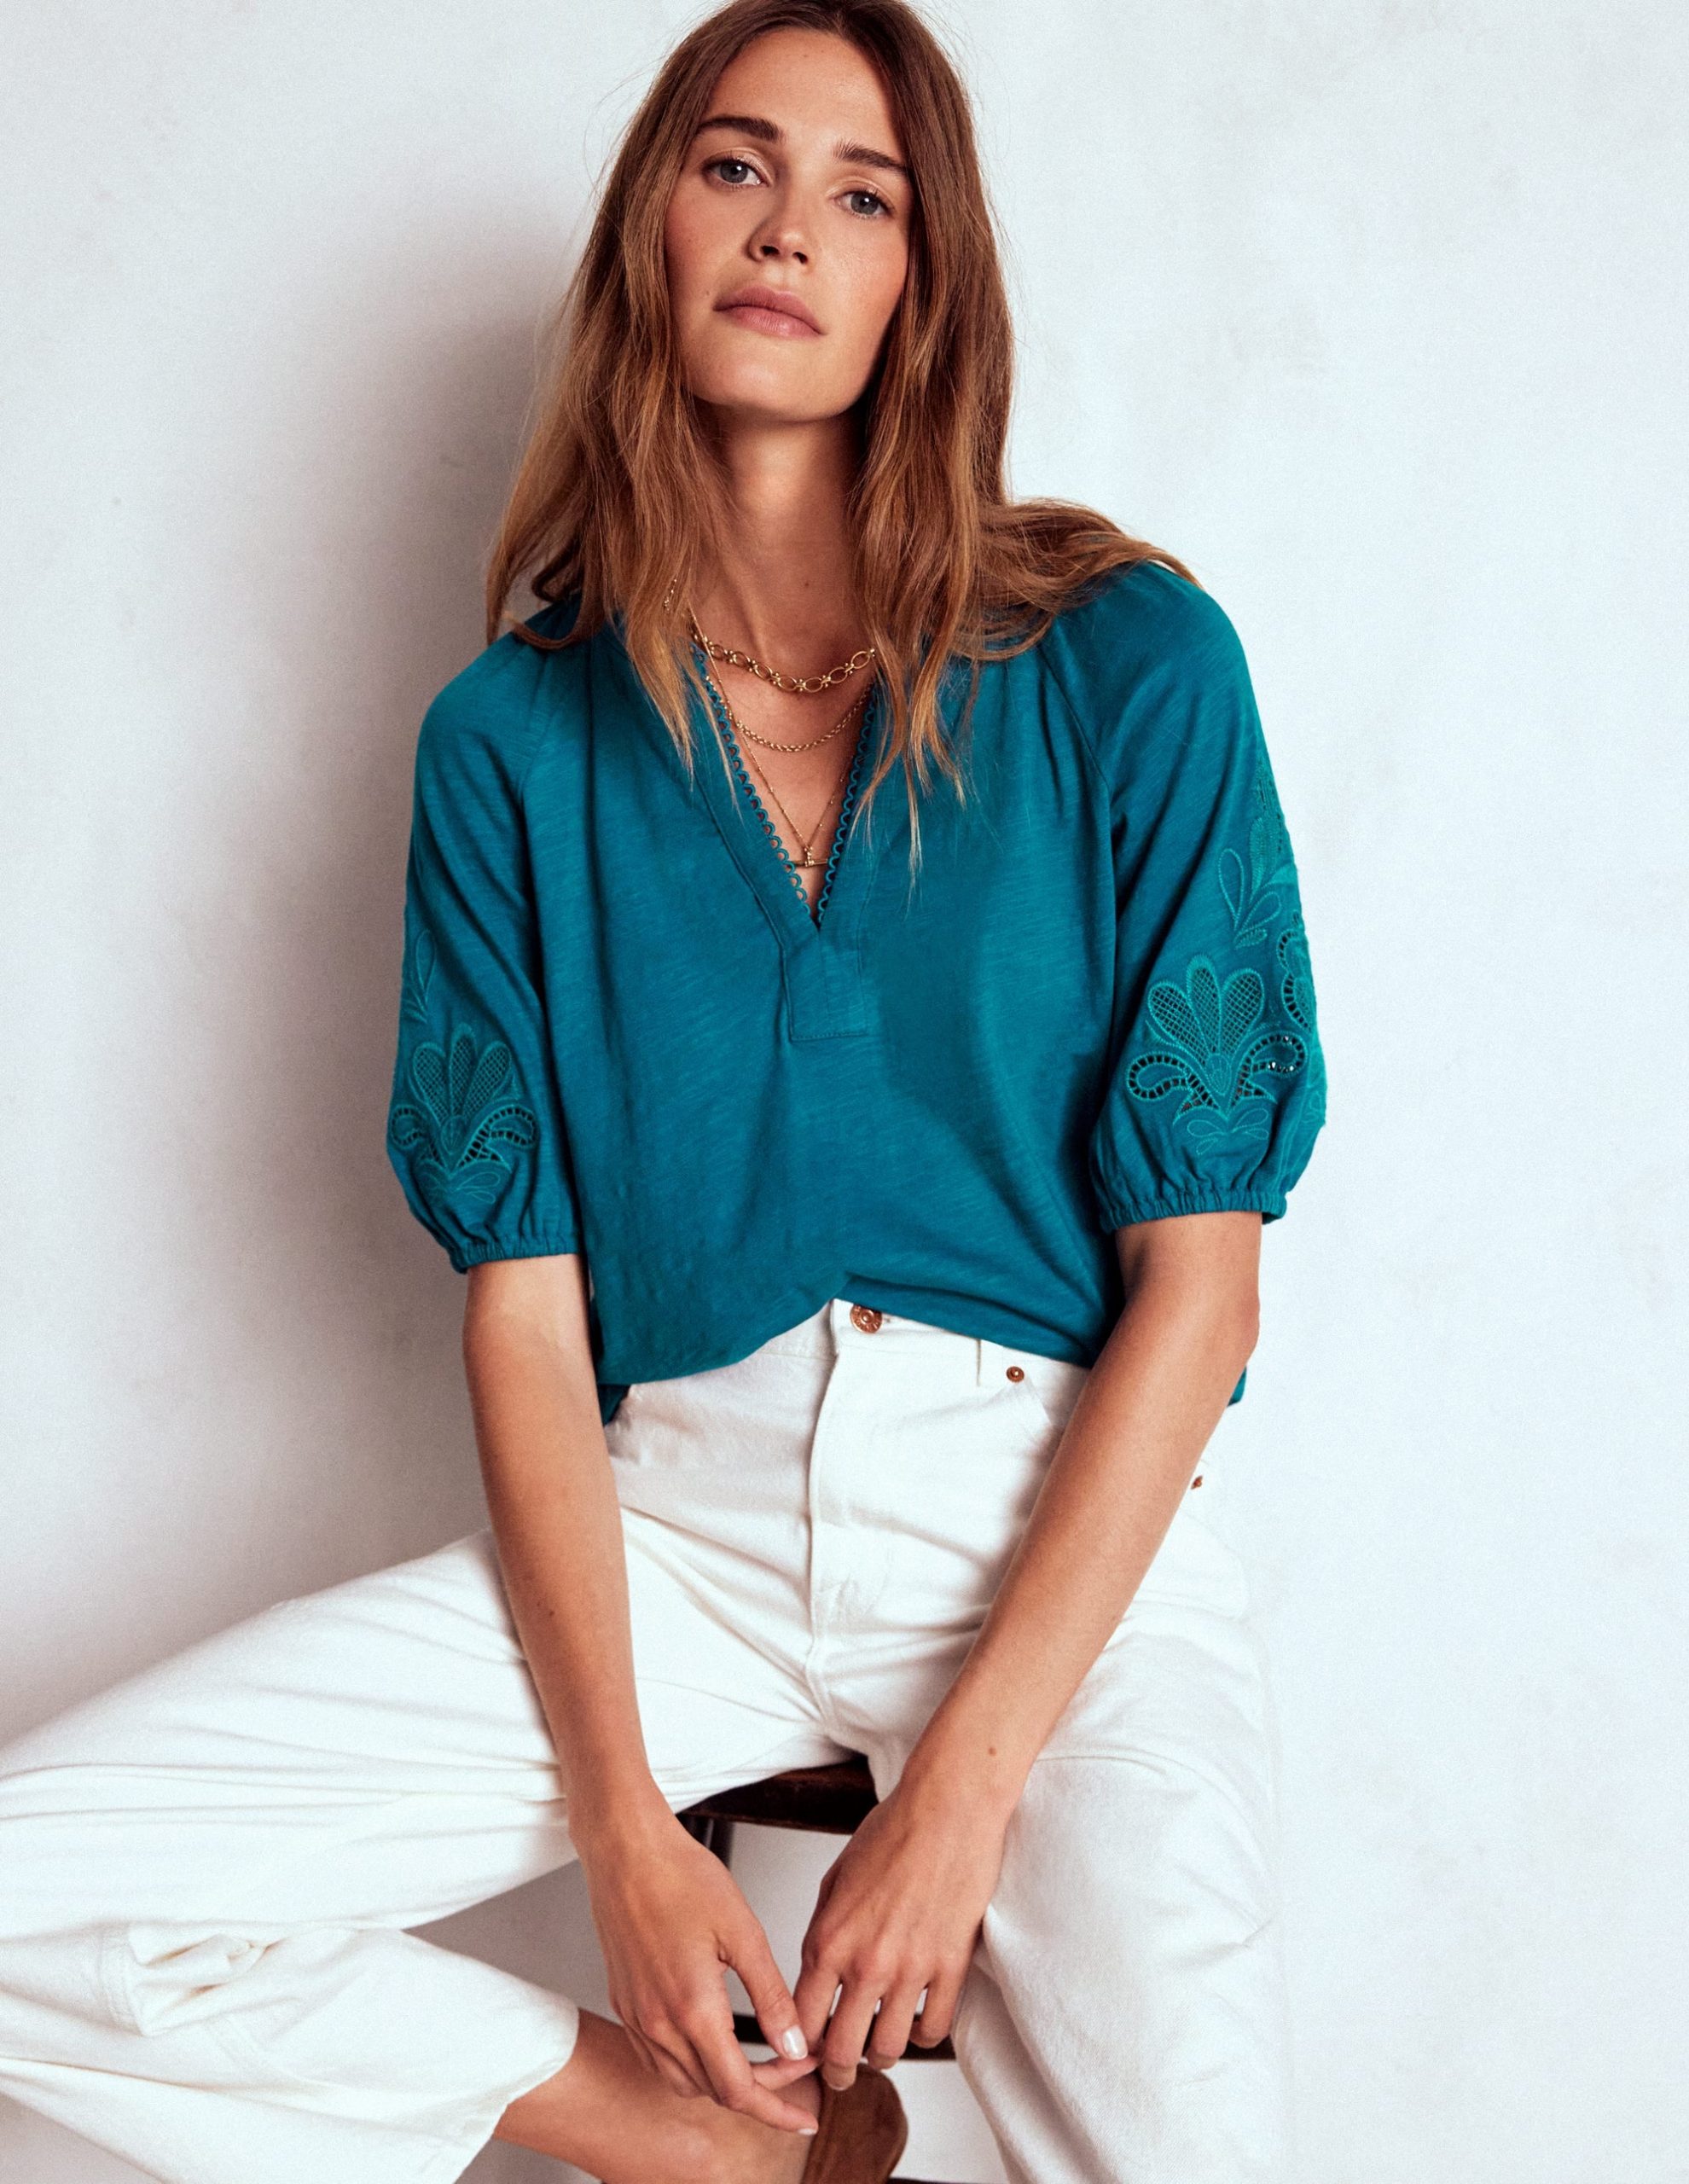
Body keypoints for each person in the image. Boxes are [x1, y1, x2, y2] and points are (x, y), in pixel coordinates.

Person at [0, 3, 1328, 2181]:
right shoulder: (509, 746)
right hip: (675, 1536)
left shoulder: (1129, 663)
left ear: (921, 283)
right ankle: (722, 2149)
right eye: (735, 164)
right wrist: (623, 1823)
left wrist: (963, 1790)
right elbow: (525, 1314)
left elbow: (1205, 1289)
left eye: (861, 192)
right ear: (655, 229)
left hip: (1052, 1526)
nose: (788, 225)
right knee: (30, 1889)